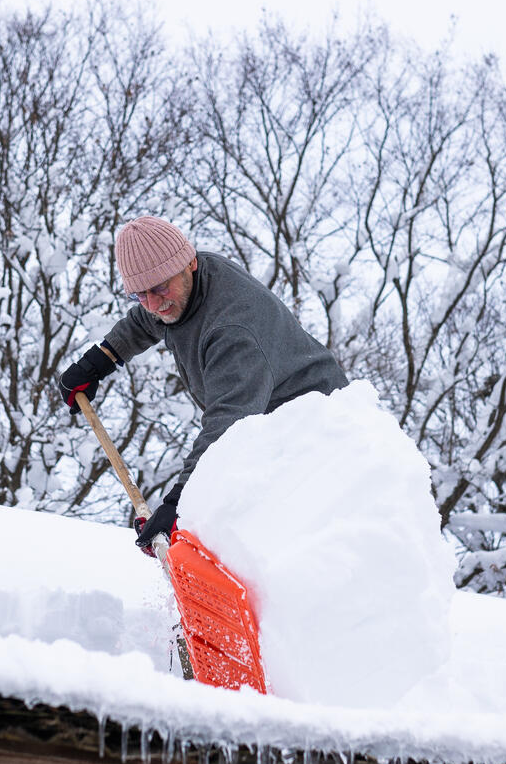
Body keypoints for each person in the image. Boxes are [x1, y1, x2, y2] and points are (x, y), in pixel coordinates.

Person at [57, 216, 347, 555]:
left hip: (315, 433)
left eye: (160, 288)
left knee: (289, 540)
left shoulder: (234, 332)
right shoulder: (184, 283)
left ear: (190, 263)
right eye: (141, 294)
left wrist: (179, 502)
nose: (153, 303)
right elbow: (151, 317)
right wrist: (100, 360)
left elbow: (227, 427)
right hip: (265, 426)